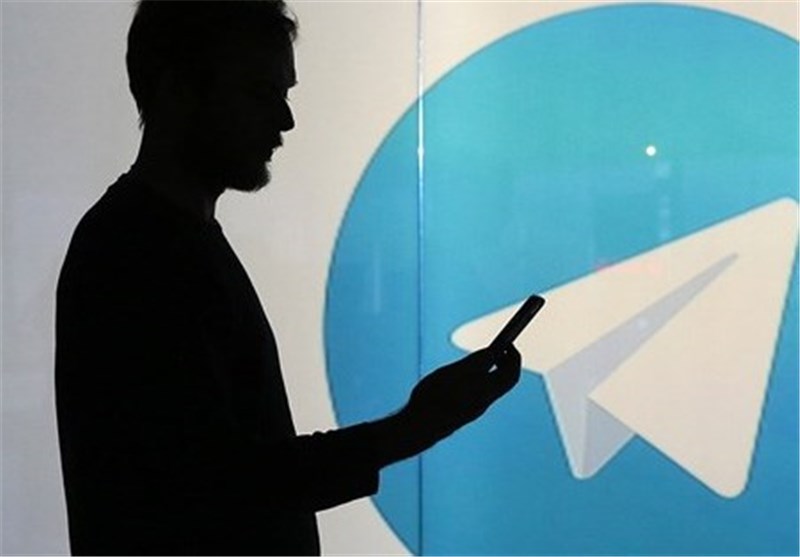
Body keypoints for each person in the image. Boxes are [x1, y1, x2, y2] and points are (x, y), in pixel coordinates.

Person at [55, 1, 522, 555]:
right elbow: (223, 484)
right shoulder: (136, 255)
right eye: (259, 93)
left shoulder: (154, 241)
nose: (284, 120)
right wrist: (412, 428)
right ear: (177, 90)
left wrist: (417, 425)